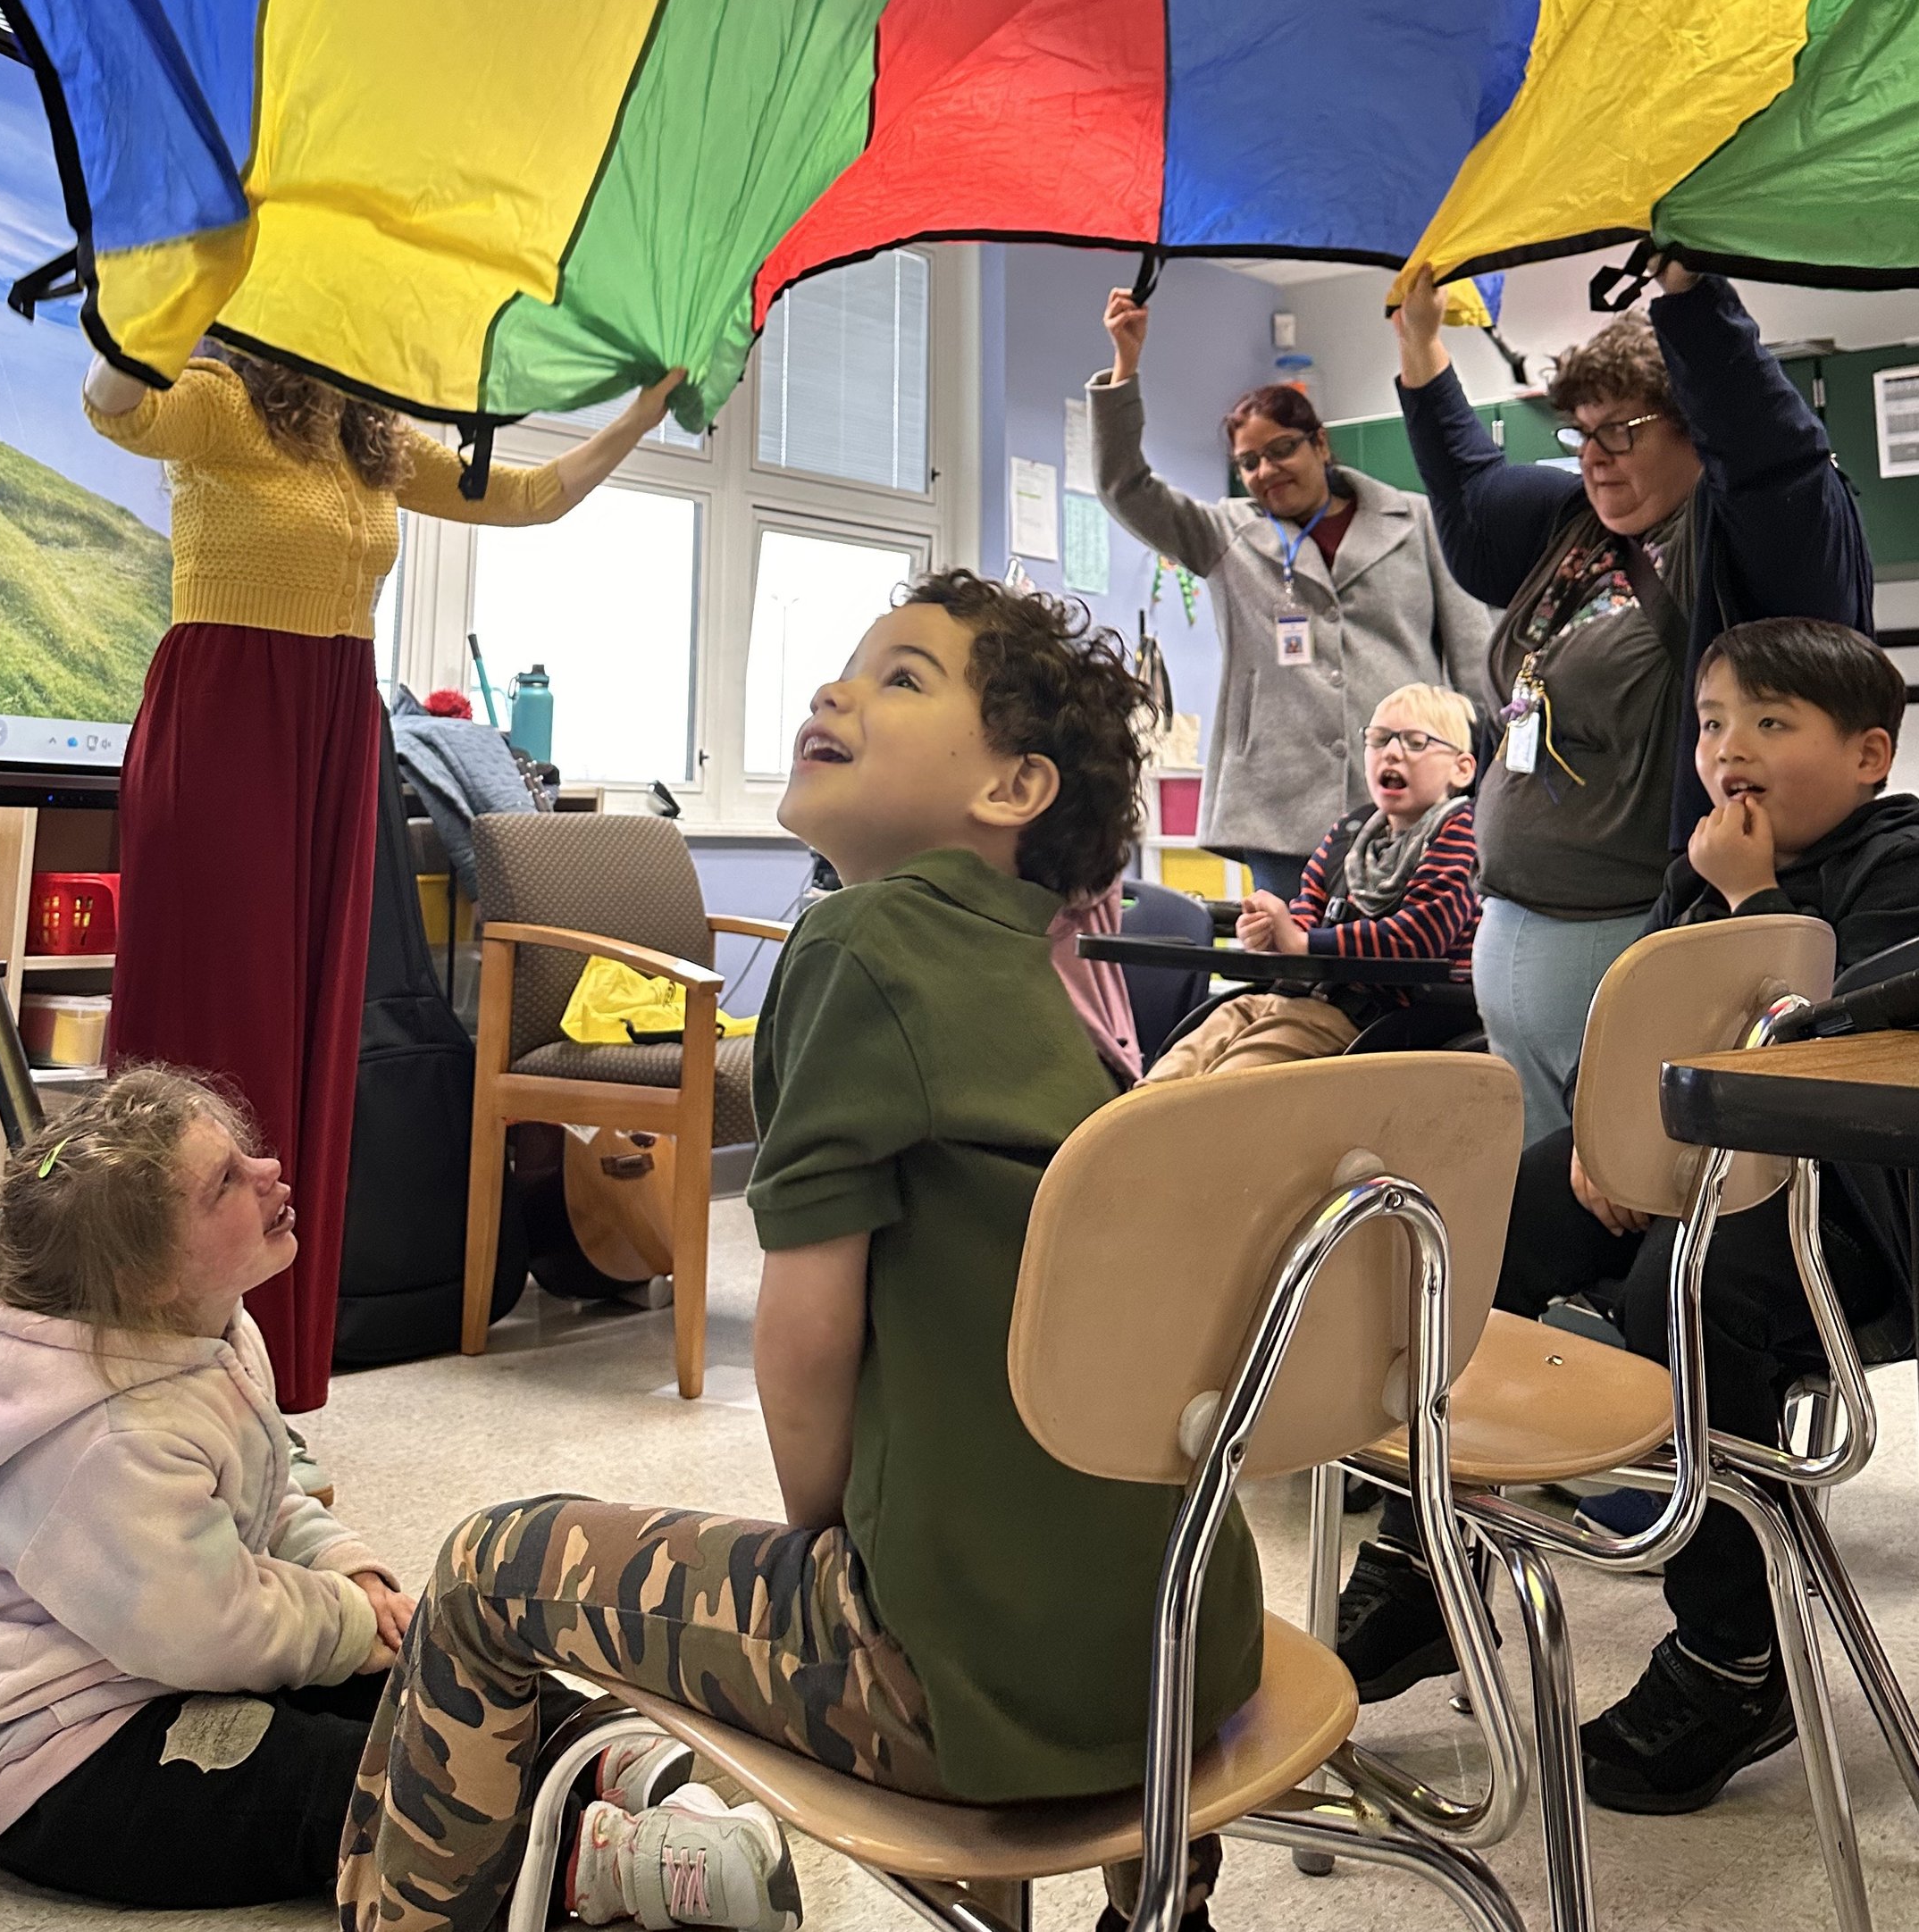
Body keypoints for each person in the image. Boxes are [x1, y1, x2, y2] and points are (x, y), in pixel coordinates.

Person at [339, 573, 1264, 1932]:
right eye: (846, 668)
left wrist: (823, 1564)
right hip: (1186, 1654)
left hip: (961, 1683)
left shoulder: (860, 942)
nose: (835, 692)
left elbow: (807, 1336)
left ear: (1013, 786)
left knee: (484, 1567)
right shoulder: (1059, 982)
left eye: (901, 677)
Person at [1337, 620, 1919, 1815]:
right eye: (1711, 723)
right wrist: (1604, 1136)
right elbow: (1632, 1022)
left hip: (1836, 1217)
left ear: (1869, 755)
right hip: (1696, 1185)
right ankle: (1426, 1553)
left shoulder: (1909, 867)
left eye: (1771, 723)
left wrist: (1755, 899)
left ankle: (1736, 1656)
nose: (1729, 749)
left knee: (1682, 1292)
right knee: (1478, 1224)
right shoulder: (1696, 870)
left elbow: (1845, 1059)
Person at [84, 339, 677, 1412]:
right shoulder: (217, 400)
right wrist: (140, 311)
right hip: (229, 718)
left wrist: (645, 409)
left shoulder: (366, 439)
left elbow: (534, 496)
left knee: (314, 1045)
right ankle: (161, 1377)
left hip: (339, 730)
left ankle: (272, 1390)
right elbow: (114, 409)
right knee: (223, 1033)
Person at [1391, 261, 1873, 1140]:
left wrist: (1689, 299)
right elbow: (1464, 494)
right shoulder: (1573, 520)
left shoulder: (1734, 537)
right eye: (1581, 434)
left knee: (1631, 1197)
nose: (1595, 458)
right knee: (1548, 1213)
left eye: (1623, 430)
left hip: (1637, 932)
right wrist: (1419, 345)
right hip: (1511, 934)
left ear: (1697, 429)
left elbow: (1773, 460)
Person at [0, 1067, 413, 1907]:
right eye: (226, 1181)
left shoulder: (198, 1327)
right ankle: (601, 1852)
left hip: (176, 1660)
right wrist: (350, 1620)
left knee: (428, 1672)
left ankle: (588, 1747)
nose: (268, 1172)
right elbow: (213, 1626)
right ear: (146, 1276)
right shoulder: (106, 1436)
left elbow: (269, 1487)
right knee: (347, 1785)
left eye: (244, 1155)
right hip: (72, 1760)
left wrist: (353, 1574)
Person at [1092, 284, 1488, 906]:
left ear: (1320, 444)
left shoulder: (1418, 521)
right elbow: (1125, 488)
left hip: (1406, 792)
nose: (1267, 471)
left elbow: (1473, 657)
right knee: (1289, 965)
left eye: (1282, 450)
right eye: (1249, 462)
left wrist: (1480, 774)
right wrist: (1125, 367)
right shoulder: (1227, 534)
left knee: (1397, 963)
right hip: (1278, 801)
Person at [1145, 682, 1479, 1078]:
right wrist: (1271, 934)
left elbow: (1419, 937)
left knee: (1222, 1087)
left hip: (1378, 1016)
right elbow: (1307, 909)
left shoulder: (1462, 833)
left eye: (1415, 742)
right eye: (1379, 739)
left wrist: (1304, 943)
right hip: (1300, 999)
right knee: (1174, 1070)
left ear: (1462, 768)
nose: (1392, 752)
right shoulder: (1351, 832)